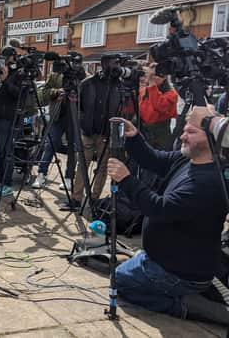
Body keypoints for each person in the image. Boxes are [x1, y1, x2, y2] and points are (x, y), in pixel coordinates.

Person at [107, 116, 227, 322]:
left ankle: (184, 306)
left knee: (118, 281)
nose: (182, 135)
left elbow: (160, 209)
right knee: (122, 268)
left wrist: (126, 180)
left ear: (212, 138)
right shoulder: (190, 159)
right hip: (169, 260)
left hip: (180, 272)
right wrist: (134, 137)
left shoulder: (208, 181)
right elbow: (155, 159)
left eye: (191, 132)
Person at [62, 54, 124, 211]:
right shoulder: (88, 83)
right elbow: (78, 106)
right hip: (88, 131)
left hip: (106, 133)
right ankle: (76, 198)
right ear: (103, 64)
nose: (114, 66)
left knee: (103, 168)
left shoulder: (120, 85)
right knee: (82, 164)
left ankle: (95, 200)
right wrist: (83, 122)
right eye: (112, 63)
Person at [30, 70, 81, 191]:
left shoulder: (80, 75)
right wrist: (58, 91)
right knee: (50, 145)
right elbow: (45, 92)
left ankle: (69, 177)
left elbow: (84, 94)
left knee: (72, 148)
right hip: (57, 115)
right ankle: (41, 174)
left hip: (73, 116)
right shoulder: (55, 75)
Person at [0, 46, 25, 197]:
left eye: (7, 57)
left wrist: (5, 81)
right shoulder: (0, 73)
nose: (4, 61)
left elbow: (18, 95)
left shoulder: (19, 74)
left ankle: (8, 183)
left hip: (8, 118)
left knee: (6, 152)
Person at [139, 64, 178, 150]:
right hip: (145, 130)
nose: (155, 77)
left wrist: (152, 84)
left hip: (162, 133)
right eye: (153, 75)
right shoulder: (143, 91)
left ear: (164, 77)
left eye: (158, 75)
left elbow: (160, 106)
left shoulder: (172, 94)